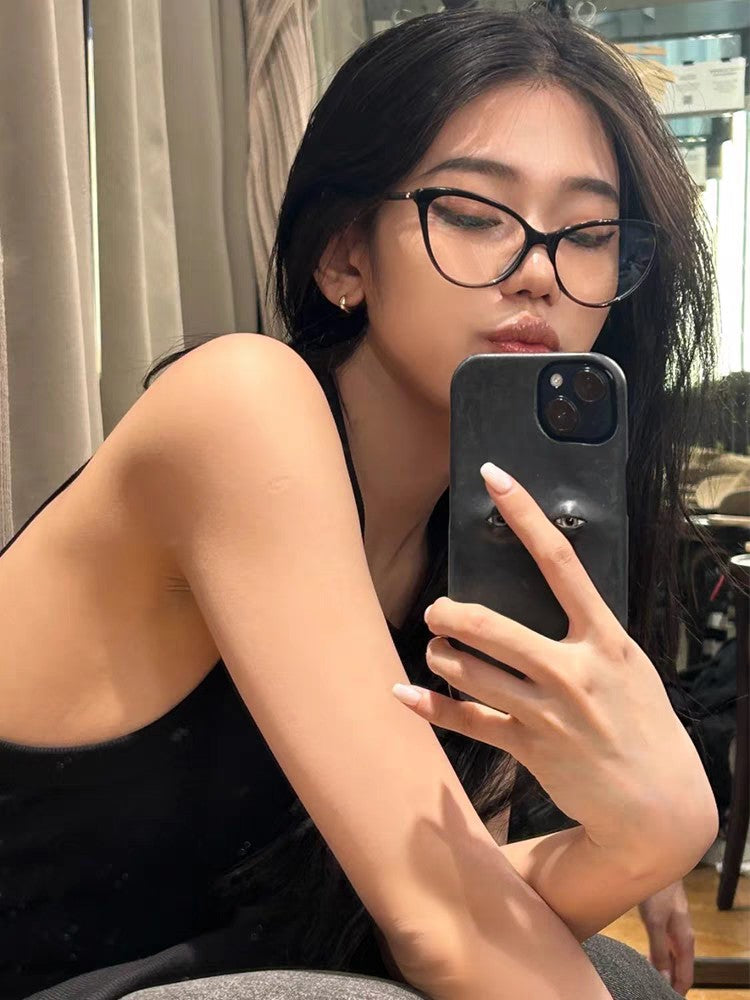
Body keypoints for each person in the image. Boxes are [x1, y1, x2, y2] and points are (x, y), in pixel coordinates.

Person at [0, 4, 719, 999]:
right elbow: (438, 928)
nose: (539, 271)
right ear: (345, 256)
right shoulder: (241, 408)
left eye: (589, 233)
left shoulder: (488, 540)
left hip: (238, 971)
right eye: (473, 213)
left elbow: (449, 892)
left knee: (613, 974)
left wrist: (651, 839)